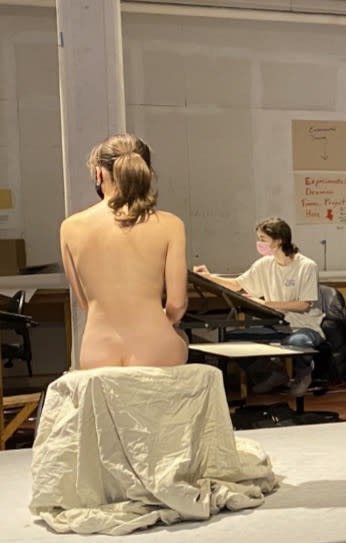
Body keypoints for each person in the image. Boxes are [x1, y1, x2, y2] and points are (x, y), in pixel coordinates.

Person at [60, 134, 188, 368]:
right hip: (156, 348)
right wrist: (162, 323)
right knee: (181, 340)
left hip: (97, 351)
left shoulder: (70, 228)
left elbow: (85, 304)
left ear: (98, 174)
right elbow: (177, 305)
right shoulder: (171, 225)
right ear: (146, 173)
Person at [194, 217, 324, 397]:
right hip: (277, 324)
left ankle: (303, 374)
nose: (259, 243)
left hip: (304, 326)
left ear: (278, 240)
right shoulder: (264, 264)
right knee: (234, 339)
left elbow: (303, 305)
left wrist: (265, 303)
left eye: (263, 239)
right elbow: (238, 284)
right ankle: (273, 374)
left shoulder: (306, 266)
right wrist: (209, 277)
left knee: (298, 343)